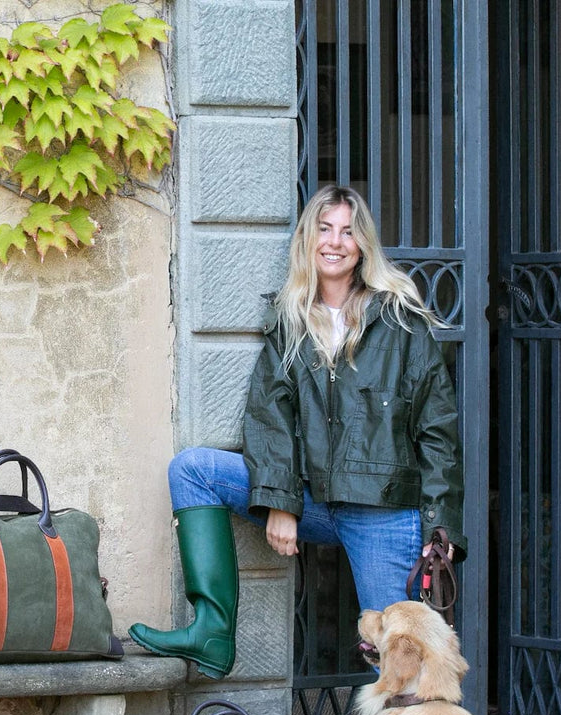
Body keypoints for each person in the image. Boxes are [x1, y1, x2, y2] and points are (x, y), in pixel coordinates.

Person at [129, 184, 466, 680]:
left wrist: (440, 529)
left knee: (400, 669)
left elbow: (437, 429)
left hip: (384, 509)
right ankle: (212, 632)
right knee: (194, 469)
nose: (335, 241)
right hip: (312, 497)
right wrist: (281, 502)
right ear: (308, 240)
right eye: (324, 229)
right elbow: (270, 417)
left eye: (348, 232)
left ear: (362, 244)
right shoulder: (289, 319)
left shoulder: (400, 320)